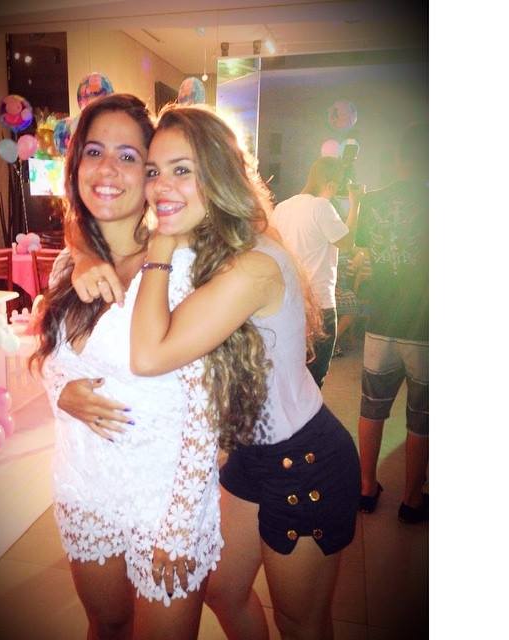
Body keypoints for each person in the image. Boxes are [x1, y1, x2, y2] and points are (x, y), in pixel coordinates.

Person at [71, 104, 361, 640]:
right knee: (224, 592)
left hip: (305, 461)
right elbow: (96, 226)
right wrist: (84, 254)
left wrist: (159, 243)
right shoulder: (209, 238)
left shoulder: (252, 265)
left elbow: (148, 356)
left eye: (182, 169)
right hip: (248, 454)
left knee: (300, 622)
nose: (162, 186)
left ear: (219, 174)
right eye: (154, 171)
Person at [30, 93, 222, 640]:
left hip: (162, 498)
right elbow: (53, 361)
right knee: (106, 624)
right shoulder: (68, 264)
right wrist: (61, 392)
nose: (108, 169)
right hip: (84, 484)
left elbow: (206, 413)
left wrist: (179, 526)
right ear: (76, 166)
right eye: (94, 152)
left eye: (129, 156)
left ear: (150, 174)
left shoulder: (182, 267)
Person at [354, 123, 429, 523]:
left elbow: (365, 255)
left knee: (372, 407)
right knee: (422, 417)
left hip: (380, 321)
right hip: (425, 326)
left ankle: (366, 489)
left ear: (399, 159)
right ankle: (412, 501)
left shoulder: (373, 201)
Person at [269, 157, 363, 387]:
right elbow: (347, 242)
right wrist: (356, 204)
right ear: (331, 183)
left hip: (287, 303)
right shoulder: (321, 206)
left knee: (287, 377)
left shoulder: (282, 208)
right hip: (319, 306)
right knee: (313, 380)